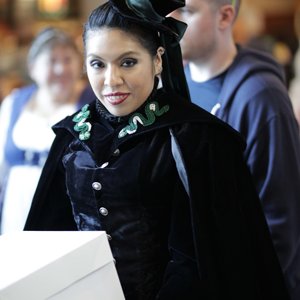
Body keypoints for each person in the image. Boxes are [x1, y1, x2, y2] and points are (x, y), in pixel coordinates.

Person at [24, 1, 289, 299]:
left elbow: (211, 258)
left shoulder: (196, 138)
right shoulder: (71, 137)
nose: (112, 80)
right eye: (98, 63)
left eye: (128, 62)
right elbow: (49, 239)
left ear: (158, 60)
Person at [171, 0, 300, 299]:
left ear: (225, 16)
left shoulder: (260, 97)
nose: (170, 19)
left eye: (185, 11)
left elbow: (280, 224)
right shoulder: (179, 84)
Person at [0, 27, 94, 234]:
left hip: (65, 215)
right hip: (15, 211)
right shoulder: (14, 102)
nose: (61, 69)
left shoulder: (92, 104)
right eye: (52, 61)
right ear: (33, 68)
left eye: (67, 60)